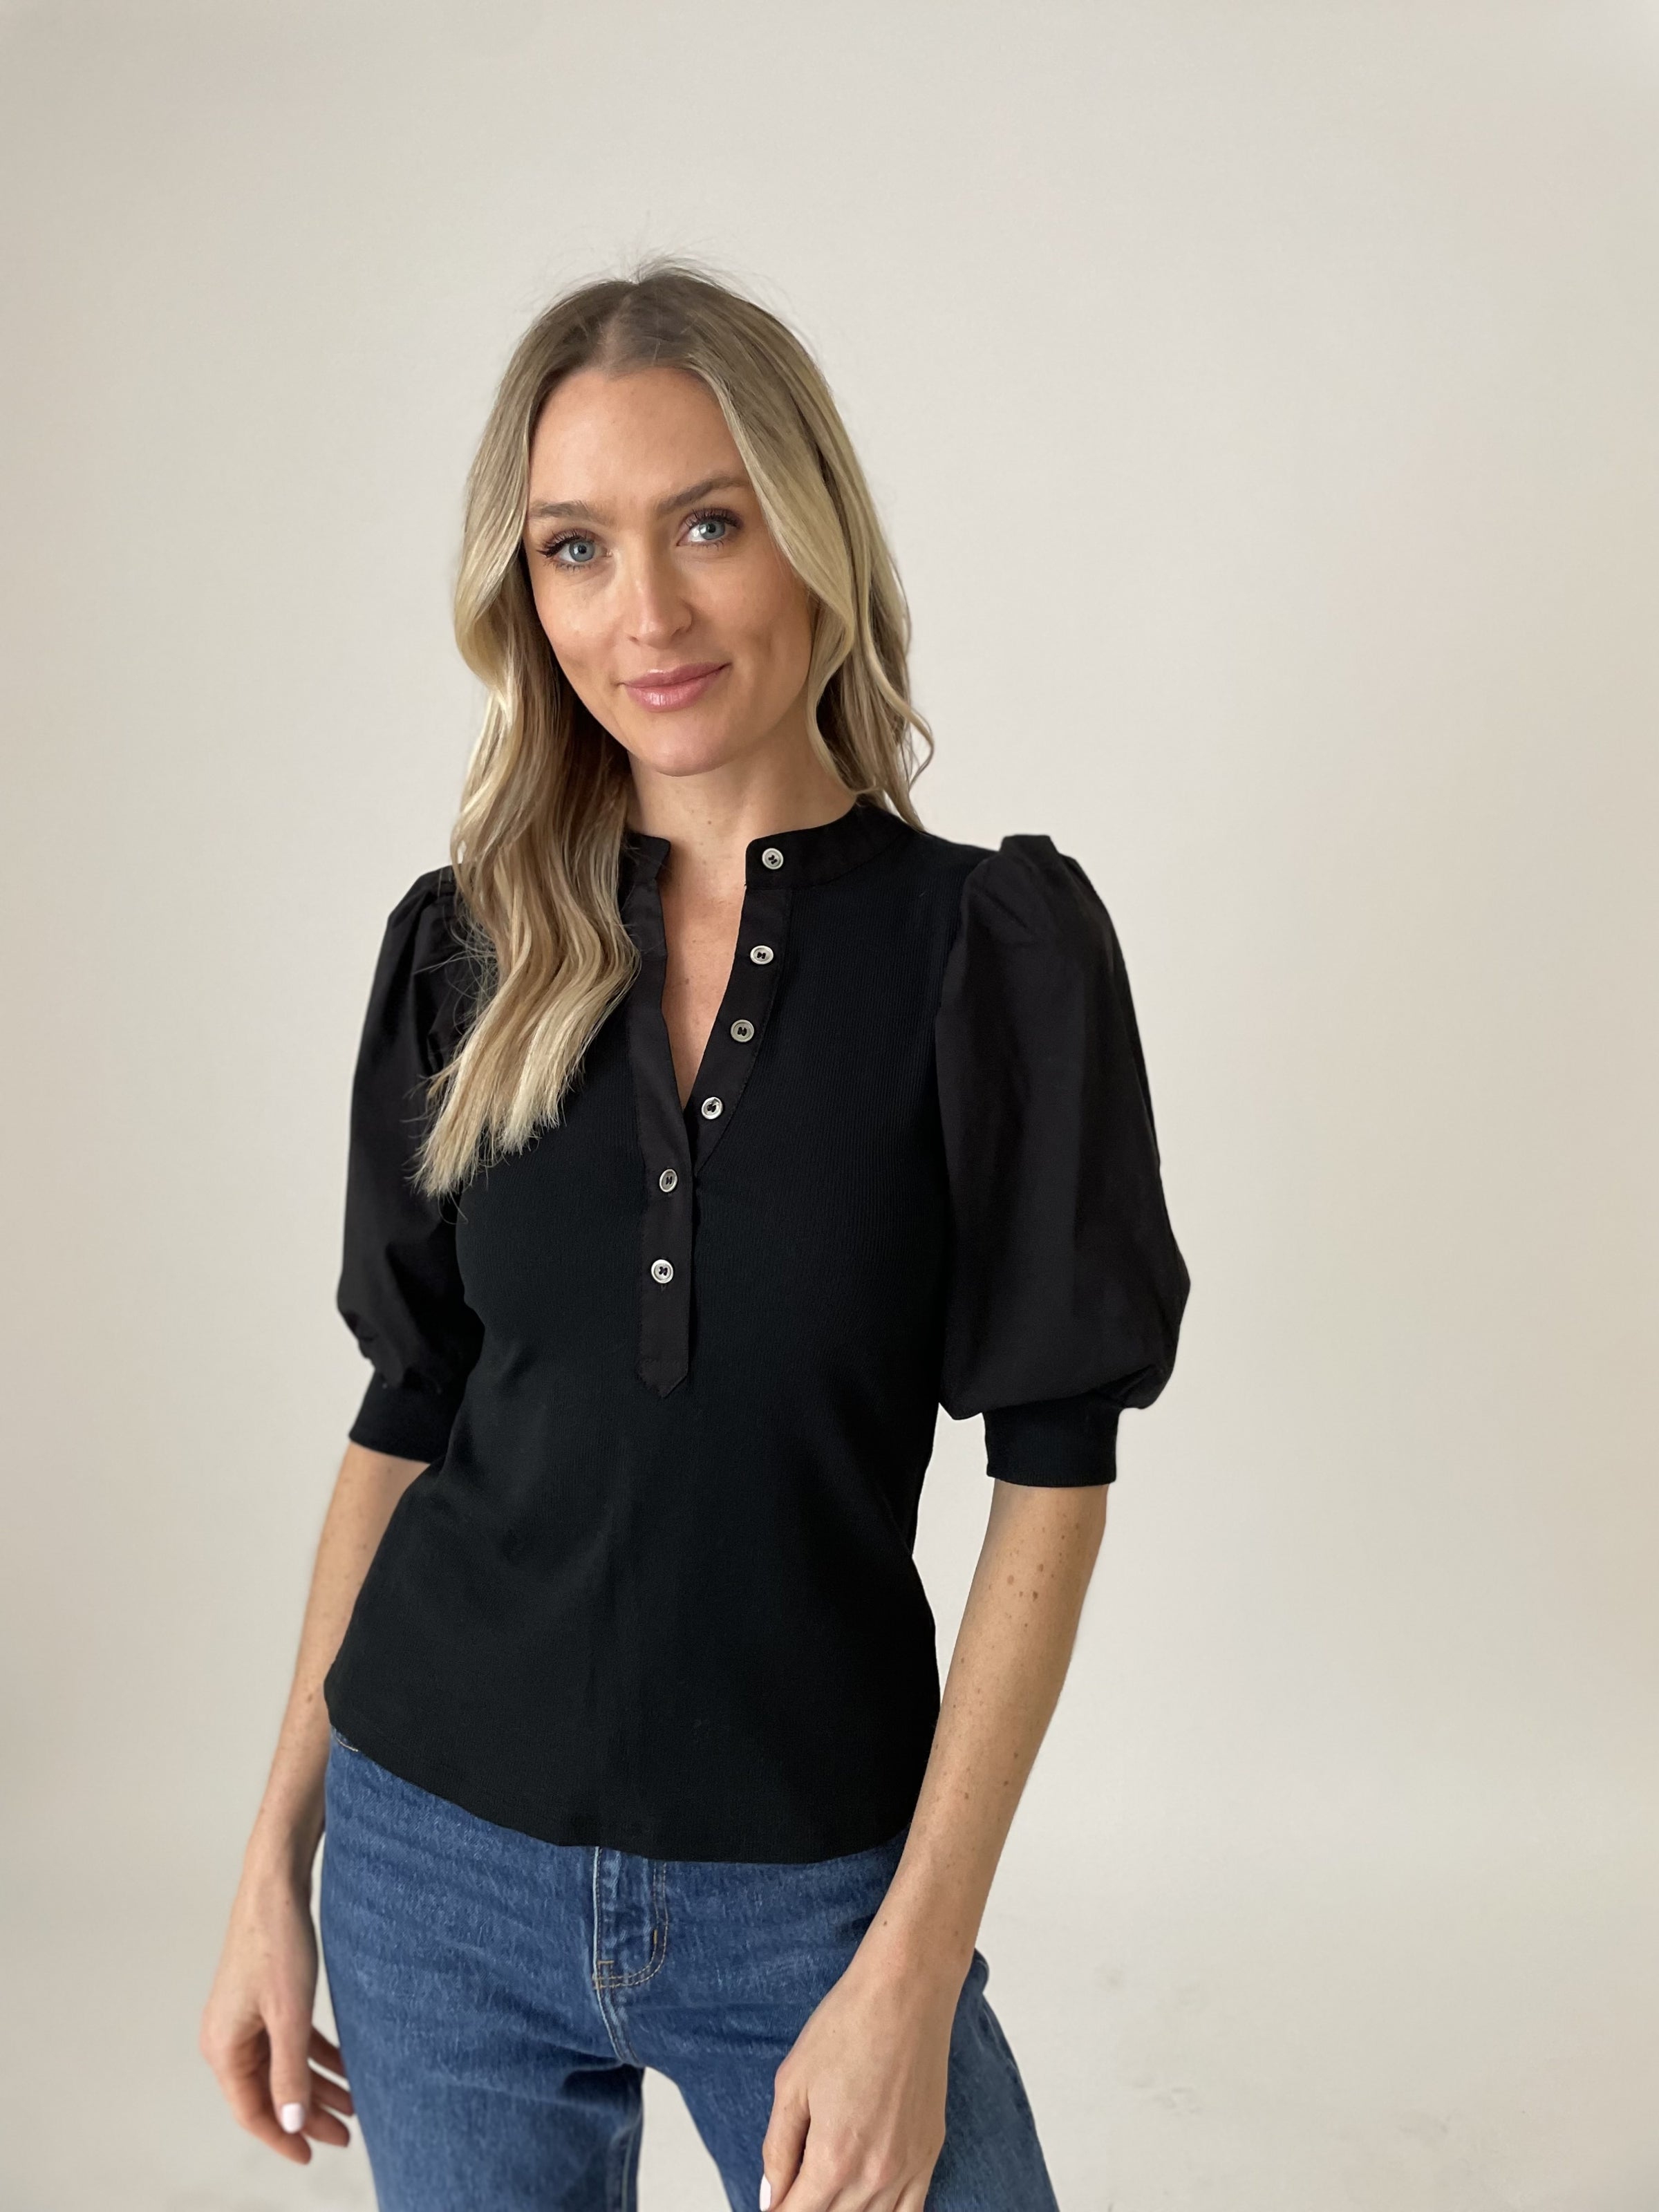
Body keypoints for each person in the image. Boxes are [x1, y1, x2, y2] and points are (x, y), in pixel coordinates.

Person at [199, 261, 1190, 2212]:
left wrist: (909, 1975)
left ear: (813, 535)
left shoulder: (991, 957)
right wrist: (271, 1860)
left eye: (708, 525)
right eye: (575, 548)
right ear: (523, 591)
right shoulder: (468, 949)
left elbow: (1054, 1474)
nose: (641, 613)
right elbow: (409, 1412)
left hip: (813, 1894)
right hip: (429, 1862)